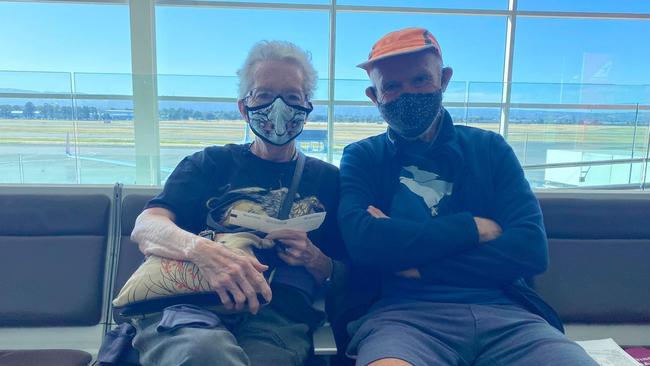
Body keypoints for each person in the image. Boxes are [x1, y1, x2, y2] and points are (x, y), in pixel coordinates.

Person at [336, 27, 599, 366]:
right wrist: (472, 229)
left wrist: (417, 267)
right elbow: (365, 244)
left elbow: (529, 249)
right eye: (392, 86)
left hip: (509, 317)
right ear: (374, 96)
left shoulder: (490, 149)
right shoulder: (363, 156)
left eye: (420, 80)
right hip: (403, 320)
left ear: (444, 80)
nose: (408, 94)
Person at [128, 40, 344, 366]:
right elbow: (146, 227)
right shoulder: (208, 163)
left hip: (278, 315)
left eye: (292, 96)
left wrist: (315, 259)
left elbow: (345, 270)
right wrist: (204, 252)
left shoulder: (328, 179)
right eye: (264, 95)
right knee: (202, 354)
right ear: (244, 107)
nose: (279, 106)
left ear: (307, 107)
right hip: (193, 303)